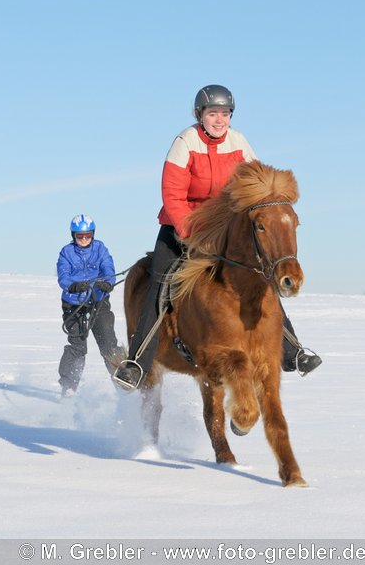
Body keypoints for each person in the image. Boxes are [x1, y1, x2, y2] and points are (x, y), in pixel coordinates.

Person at [115, 84, 321, 390]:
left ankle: (291, 350)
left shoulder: (239, 143)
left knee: (261, 275)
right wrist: (187, 229)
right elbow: (172, 193)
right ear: (200, 115)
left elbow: (257, 185)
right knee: (160, 282)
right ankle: (137, 362)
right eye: (213, 113)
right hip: (182, 228)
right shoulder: (185, 142)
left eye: (225, 113)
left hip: (224, 231)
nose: (219, 120)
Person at [57, 214, 122, 398]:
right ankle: (68, 387)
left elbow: (108, 267)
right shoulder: (66, 252)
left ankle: (122, 385)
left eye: (87, 235)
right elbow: (63, 275)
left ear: (93, 234)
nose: (84, 239)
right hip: (74, 305)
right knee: (77, 348)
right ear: (73, 235)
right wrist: (73, 285)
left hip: (98, 302)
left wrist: (108, 282)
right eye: (80, 236)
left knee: (109, 345)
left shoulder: (100, 248)